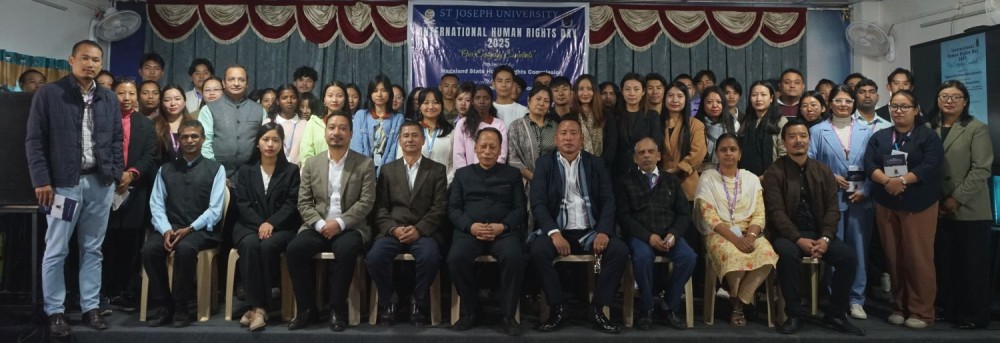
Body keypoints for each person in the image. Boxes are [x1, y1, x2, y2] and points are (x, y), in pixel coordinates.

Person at [25, 40, 123, 336]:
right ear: (71, 60)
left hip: (99, 184)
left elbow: (117, 139)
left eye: (96, 60)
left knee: (93, 249)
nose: (91, 64)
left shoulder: (108, 98)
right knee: (56, 249)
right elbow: (34, 141)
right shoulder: (50, 94)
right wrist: (42, 180)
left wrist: (115, 173)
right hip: (64, 186)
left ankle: (90, 307)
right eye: (85, 58)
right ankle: (55, 311)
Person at [763, 119, 864, 336]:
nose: (798, 141)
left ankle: (835, 314)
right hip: (787, 235)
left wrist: (826, 239)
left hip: (819, 233)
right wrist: (798, 239)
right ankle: (794, 314)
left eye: (803, 136)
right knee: (787, 255)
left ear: (809, 139)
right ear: (784, 142)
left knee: (847, 257)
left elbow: (832, 209)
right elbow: (776, 213)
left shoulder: (823, 170)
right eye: (792, 137)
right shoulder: (775, 172)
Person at [529, 117, 624, 334]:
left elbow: (609, 200)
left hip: (589, 230)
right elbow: (538, 203)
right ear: (556, 138)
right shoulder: (544, 164)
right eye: (563, 133)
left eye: (573, 133)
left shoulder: (596, 163)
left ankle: (598, 308)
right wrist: (554, 234)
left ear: (581, 139)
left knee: (619, 250)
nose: (568, 138)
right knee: (538, 250)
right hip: (558, 230)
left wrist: (603, 231)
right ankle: (558, 307)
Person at [286, 112, 376, 331]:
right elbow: (304, 202)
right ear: (325, 132)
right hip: (317, 225)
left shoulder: (364, 164)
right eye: (332, 127)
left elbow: (366, 202)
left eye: (343, 128)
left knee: (346, 250)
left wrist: (340, 223)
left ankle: (337, 309)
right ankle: (308, 309)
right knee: (294, 250)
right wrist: (319, 224)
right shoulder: (311, 164)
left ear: (351, 134)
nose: (337, 133)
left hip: (350, 227)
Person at [864, 90, 942, 329]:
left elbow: (931, 164)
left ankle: (921, 311)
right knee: (894, 258)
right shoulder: (882, 136)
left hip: (918, 205)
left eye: (904, 106)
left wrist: (903, 181)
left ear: (916, 110)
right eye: (894, 107)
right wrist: (888, 182)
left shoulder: (927, 136)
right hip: (887, 203)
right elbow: (869, 163)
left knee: (918, 258)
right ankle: (900, 306)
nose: (898, 111)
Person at [142, 120, 226, 328]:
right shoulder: (166, 169)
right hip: (170, 228)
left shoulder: (215, 169)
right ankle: (164, 304)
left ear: (203, 139)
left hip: (201, 230)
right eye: (185, 137)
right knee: (149, 250)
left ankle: (182, 306)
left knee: (186, 249)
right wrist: (165, 229)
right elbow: (156, 205)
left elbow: (215, 210)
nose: (189, 140)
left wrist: (190, 228)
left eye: (194, 136)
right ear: (178, 140)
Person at [925, 81, 993, 330]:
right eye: (944, 96)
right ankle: (949, 309)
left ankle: (974, 315)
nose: (949, 101)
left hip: (970, 209)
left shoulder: (977, 128)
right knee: (945, 263)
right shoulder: (928, 128)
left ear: (965, 101)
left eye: (956, 97)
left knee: (971, 265)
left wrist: (956, 199)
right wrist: (940, 201)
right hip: (937, 207)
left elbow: (981, 169)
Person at [367, 121, 448, 327]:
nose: (410, 139)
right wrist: (392, 229)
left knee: (430, 257)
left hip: (423, 232)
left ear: (422, 140)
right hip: (394, 230)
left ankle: (418, 302)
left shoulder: (436, 170)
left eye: (415, 135)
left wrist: (419, 229)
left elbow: (439, 207)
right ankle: (389, 301)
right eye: (406, 136)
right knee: (374, 258)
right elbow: (380, 206)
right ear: (399, 140)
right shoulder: (387, 170)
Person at [447, 127, 526, 336]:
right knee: (455, 258)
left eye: (493, 147)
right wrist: (470, 226)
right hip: (470, 231)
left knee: (514, 257)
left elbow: (520, 208)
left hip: (503, 232)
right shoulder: (462, 175)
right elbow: (453, 209)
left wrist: (503, 226)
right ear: (475, 148)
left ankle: (507, 315)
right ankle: (472, 310)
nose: (488, 151)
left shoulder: (512, 174)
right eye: (483, 146)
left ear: (500, 149)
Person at [693, 133, 777, 327]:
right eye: (723, 150)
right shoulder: (708, 178)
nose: (728, 153)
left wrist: (750, 236)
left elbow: (759, 214)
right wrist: (736, 240)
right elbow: (709, 217)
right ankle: (739, 304)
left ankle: (738, 301)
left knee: (767, 254)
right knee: (733, 255)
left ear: (740, 154)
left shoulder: (751, 179)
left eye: (733, 150)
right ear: (717, 154)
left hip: (750, 232)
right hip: (719, 233)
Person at [808, 84, 876, 320]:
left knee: (859, 250)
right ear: (830, 104)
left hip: (860, 198)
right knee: (836, 251)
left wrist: (866, 190)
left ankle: (857, 299)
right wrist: (829, 176)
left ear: (854, 103)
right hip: (830, 199)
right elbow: (809, 163)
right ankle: (836, 298)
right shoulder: (817, 131)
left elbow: (874, 165)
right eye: (838, 100)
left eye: (848, 101)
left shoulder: (867, 131)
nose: (843, 105)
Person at [617, 137, 696, 330]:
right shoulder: (625, 181)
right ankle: (646, 308)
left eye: (651, 151)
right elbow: (624, 217)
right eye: (641, 153)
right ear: (635, 159)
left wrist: (673, 235)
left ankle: (668, 305)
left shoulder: (671, 180)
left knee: (689, 257)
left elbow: (684, 214)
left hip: (670, 236)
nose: (646, 156)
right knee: (642, 257)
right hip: (642, 237)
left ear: (659, 155)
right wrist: (648, 237)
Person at [232, 123, 301, 331]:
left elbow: (292, 204)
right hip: (248, 225)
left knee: (267, 246)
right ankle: (259, 307)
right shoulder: (245, 171)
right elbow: (242, 203)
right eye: (265, 140)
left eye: (275, 140)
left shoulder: (291, 171)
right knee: (251, 245)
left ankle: (255, 308)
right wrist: (260, 224)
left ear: (281, 144)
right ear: (258, 143)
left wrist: (271, 223)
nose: (270, 144)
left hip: (280, 227)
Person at [103, 77, 158, 309]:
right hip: (106, 187)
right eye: (121, 93)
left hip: (135, 189)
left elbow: (150, 155)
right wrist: (114, 175)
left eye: (131, 94)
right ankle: (105, 290)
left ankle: (127, 291)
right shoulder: (103, 121)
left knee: (130, 243)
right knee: (106, 243)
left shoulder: (145, 124)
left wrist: (131, 174)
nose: (126, 98)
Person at [199, 64, 267, 179]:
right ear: (224, 83)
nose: (236, 83)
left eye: (241, 80)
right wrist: (216, 172)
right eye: (231, 79)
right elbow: (204, 143)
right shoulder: (209, 109)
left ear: (247, 84)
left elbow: (265, 143)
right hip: (216, 174)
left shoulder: (259, 110)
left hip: (252, 175)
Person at [508, 85, 558, 201]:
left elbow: (560, 156)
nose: (541, 103)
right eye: (538, 99)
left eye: (546, 101)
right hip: (523, 185)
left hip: (552, 184)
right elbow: (513, 159)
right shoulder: (516, 126)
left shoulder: (556, 127)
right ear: (529, 100)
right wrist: (535, 179)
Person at [661, 81, 706, 201]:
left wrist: (678, 169)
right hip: (660, 185)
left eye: (680, 96)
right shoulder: (657, 124)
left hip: (687, 184)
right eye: (670, 96)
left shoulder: (695, 125)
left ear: (686, 99)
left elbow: (698, 153)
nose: (675, 100)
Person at [350, 75, 404, 175]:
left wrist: (384, 173)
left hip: (388, 172)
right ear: (370, 93)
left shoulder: (398, 118)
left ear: (389, 93)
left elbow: (394, 149)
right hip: (362, 171)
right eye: (375, 91)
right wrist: (366, 172)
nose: (379, 94)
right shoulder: (361, 115)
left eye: (383, 90)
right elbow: (356, 146)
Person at [612, 73, 663, 177]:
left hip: (644, 171)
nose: (632, 93)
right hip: (618, 171)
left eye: (636, 89)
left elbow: (657, 144)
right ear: (622, 91)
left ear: (643, 91)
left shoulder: (652, 116)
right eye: (627, 89)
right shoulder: (613, 116)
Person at [402, 88, 455, 183]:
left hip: (444, 186)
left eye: (435, 102)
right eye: (426, 103)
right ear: (419, 106)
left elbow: (454, 163)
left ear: (441, 105)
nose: (431, 107)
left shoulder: (450, 131)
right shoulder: (409, 130)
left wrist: (444, 184)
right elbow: (401, 159)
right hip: (414, 187)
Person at [738, 81, 787, 177]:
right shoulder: (746, 121)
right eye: (754, 95)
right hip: (745, 178)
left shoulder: (780, 121)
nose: (758, 99)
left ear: (771, 98)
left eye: (763, 95)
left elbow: (784, 154)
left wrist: (766, 176)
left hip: (772, 178)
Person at [453, 85, 508, 169]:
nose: (482, 101)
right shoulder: (462, 123)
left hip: (493, 175)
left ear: (491, 101)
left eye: (486, 98)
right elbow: (458, 155)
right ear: (472, 101)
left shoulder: (499, 124)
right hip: (467, 177)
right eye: (477, 98)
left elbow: (501, 155)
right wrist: (465, 175)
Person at [572, 74, 617, 167]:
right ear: (576, 92)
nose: (585, 93)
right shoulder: (569, 117)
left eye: (589, 89)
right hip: (576, 169)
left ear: (595, 91)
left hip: (603, 168)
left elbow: (611, 146)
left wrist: (599, 165)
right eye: (581, 89)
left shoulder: (607, 116)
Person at [300, 81, 349, 163]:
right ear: (324, 100)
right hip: (316, 173)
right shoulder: (313, 122)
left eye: (339, 96)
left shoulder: (351, 124)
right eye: (330, 96)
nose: (334, 100)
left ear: (345, 99)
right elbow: (306, 153)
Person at [695, 86, 739, 172]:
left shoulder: (734, 124)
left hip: (728, 171)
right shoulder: (695, 124)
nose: (715, 105)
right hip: (700, 172)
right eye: (709, 102)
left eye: (719, 102)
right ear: (703, 104)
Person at [153, 85, 196, 164]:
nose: (173, 103)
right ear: (161, 103)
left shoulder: (194, 126)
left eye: (177, 99)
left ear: (185, 101)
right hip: (160, 172)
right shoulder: (153, 125)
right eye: (167, 100)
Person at [269, 84, 307, 163]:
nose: (289, 101)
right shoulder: (269, 123)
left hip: (298, 171)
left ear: (297, 100)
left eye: (293, 97)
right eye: (284, 98)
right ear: (277, 101)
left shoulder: (305, 124)